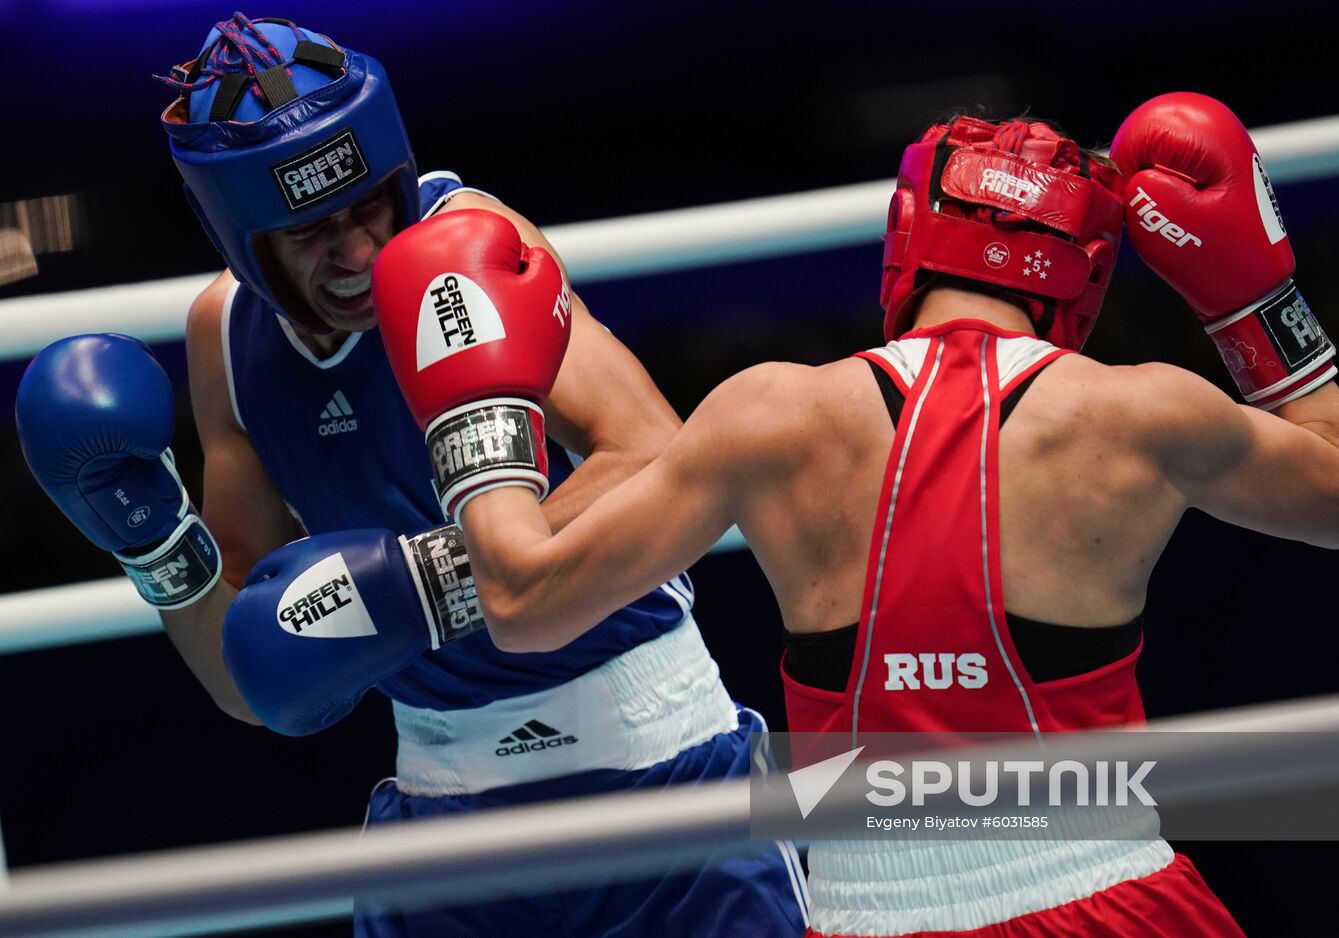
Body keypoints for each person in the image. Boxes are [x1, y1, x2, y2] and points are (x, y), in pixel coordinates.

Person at [366, 94, 1339, 935]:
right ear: (1078, 277)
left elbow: (520, 598)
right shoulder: (1137, 411)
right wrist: (1249, 300)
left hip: (866, 905)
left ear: (906, 242)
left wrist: (477, 415)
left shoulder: (769, 413)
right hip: (1107, 881)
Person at [14, 13, 807, 937]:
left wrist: (428, 585)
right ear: (242, 239)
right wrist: (156, 544)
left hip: (663, 772)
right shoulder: (227, 340)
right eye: (310, 231)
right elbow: (252, 678)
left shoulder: (466, 248)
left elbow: (662, 461)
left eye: (369, 209)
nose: (355, 254)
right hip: (445, 813)